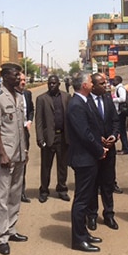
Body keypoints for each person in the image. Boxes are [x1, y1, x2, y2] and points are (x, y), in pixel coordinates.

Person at [0, 63, 29, 255]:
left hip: (20, 153)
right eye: (15, 74)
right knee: (3, 197)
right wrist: (3, 154)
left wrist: (25, 150)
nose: (18, 77)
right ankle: (2, 236)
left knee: (15, 194)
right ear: (4, 76)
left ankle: (12, 229)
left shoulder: (20, 96)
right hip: (5, 155)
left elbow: (20, 128)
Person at [66, 72, 107, 252]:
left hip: (88, 158)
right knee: (81, 200)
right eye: (91, 81)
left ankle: (83, 233)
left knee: (86, 197)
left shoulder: (84, 101)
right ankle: (78, 239)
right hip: (83, 159)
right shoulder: (76, 105)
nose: (92, 83)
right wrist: (99, 150)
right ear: (84, 85)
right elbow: (85, 134)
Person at [86, 73, 120, 231]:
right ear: (93, 85)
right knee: (92, 185)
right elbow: (84, 126)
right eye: (102, 83)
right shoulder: (85, 101)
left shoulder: (107, 98)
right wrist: (98, 140)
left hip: (110, 149)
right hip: (93, 150)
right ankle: (92, 215)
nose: (106, 85)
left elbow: (115, 120)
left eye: (106, 82)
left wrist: (113, 136)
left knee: (107, 183)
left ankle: (109, 214)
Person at [35, 75, 71, 203]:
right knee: (46, 166)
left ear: (59, 84)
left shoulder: (66, 97)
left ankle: (62, 189)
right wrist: (39, 137)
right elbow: (38, 121)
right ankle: (44, 190)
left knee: (62, 165)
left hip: (63, 137)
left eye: (54, 83)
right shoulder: (42, 99)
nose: (51, 85)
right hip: (49, 137)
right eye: (49, 83)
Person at [15, 72, 34, 203]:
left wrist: (29, 121)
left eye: (24, 80)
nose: (23, 82)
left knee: (23, 161)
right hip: (12, 134)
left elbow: (31, 110)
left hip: (24, 132)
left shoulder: (27, 94)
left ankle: (22, 192)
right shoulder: (8, 95)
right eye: (20, 80)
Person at [112, 76, 128, 155]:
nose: (113, 81)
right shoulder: (117, 88)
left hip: (120, 112)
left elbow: (123, 98)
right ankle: (124, 148)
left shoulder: (120, 89)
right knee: (121, 131)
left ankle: (126, 149)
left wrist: (113, 100)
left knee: (122, 131)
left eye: (114, 80)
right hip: (118, 112)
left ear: (118, 81)